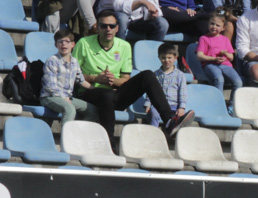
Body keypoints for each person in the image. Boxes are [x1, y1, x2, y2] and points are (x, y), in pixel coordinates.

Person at [74, 10, 194, 145]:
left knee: (147, 75)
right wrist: (96, 79)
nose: (108, 29)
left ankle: (169, 120)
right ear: (98, 27)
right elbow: (71, 74)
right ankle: (109, 143)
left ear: (117, 28)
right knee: (106, 94)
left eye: (112, 26)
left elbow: (125, 79)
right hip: (89, 92)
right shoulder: (83, 43)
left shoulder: (124, 46)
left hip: (114, 95)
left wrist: (113, 80)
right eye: (104, 26)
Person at [40, 30, 98, 125]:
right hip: (49, 97)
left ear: (73, 44)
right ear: (56, 45)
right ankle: (67, 138)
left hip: (67, 97)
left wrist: (95, 89)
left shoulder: (74, 62)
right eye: (60, 42)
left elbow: (81, 80)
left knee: (92, 110)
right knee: (69, 108)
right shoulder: (52, 61)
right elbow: (50, 87)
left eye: (67, 41)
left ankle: (80, 134)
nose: (64, 44)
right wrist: (63, 98)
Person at [196, 13, 243, 93]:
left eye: (217, 25)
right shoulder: (204, 38)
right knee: (219, 79)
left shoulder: (225, 39)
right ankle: (219, 103)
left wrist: (226, 54)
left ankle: (232, 105)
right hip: (210, 64)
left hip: (225, 65)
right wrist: (214, 58)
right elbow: (199, 56)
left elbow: (231, 57)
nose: (214, 27)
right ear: (208, 24)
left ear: (223, 28)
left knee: (238, 82)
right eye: (212, 24)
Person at [148, 42, 188, 128]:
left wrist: (182, 107)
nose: (166, 60)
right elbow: (151, 91)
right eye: (163, 58)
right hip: (159, 106)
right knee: (153, 114)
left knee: (177, 119)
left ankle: (172, 132)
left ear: (175, 58)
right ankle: (152, 133)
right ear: (159, 58)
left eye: (169, 57)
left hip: (174, 106)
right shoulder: (155, 74)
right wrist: (148, 103)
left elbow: (183, 93)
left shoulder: (180, 75)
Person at [104, 0, 170, 41]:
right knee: (122, 18)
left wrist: (153, 12)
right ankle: (119, 52)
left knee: (162, 23)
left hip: (140, 20)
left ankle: (153, 55)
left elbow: (154, 5)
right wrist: (141, 2)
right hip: (120, 15)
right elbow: (118, 6)